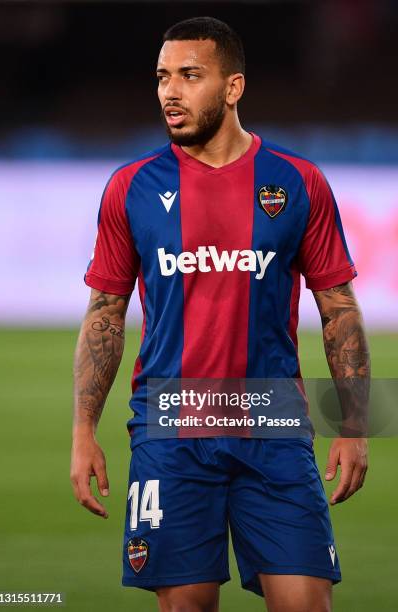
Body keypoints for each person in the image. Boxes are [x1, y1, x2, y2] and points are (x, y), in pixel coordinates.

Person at [70, 16, 369, 612]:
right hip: (170, 430)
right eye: (162, 77)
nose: (169, 92)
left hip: (275, 429)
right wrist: (82, 432)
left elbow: (338, 308)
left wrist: (356, 424)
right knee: (187, 606)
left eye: (189, 75)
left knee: (307, 604)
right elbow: (105, 313)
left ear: (233, 88)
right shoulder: (129, 187)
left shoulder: (298, 182)